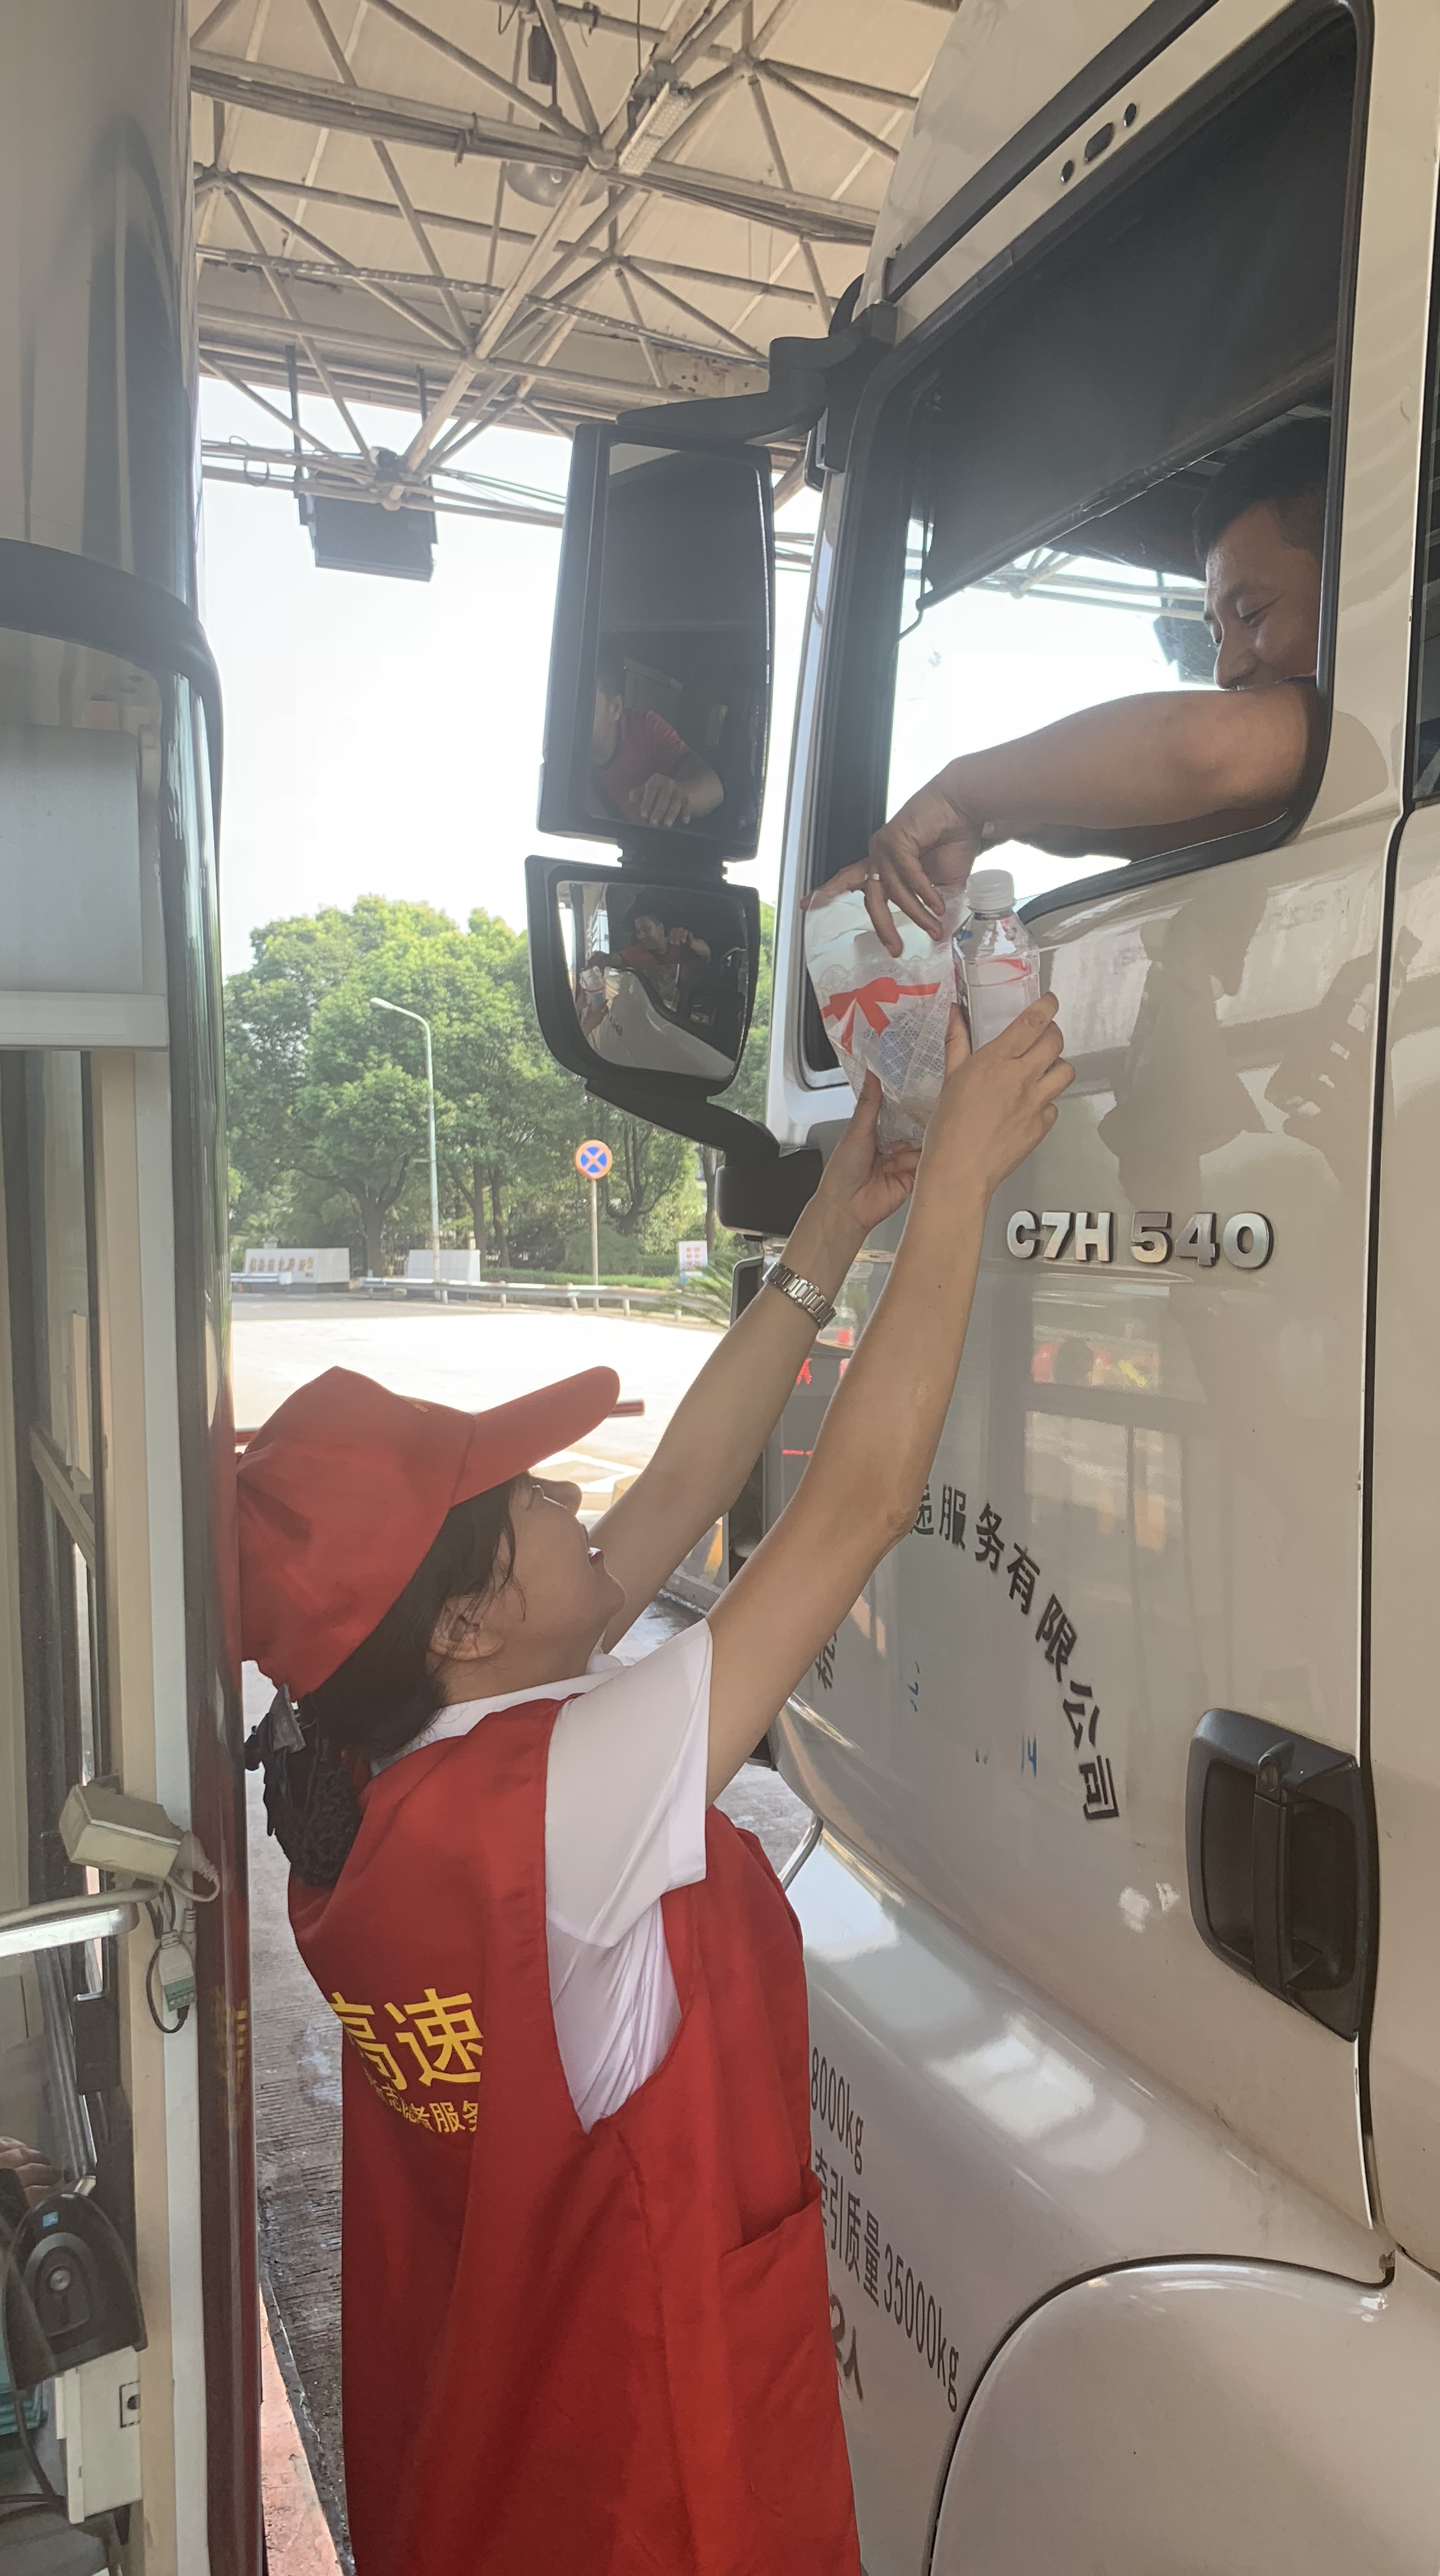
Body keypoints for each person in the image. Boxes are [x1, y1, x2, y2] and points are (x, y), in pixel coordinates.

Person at [234, 1000, 1072, 2576]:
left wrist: (829, 1233)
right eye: (527, 1498)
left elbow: (684, 1484)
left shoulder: (379, 1775)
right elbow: (856, 1509)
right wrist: (959, 1184)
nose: (571, 1495)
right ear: (465, 1626)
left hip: (494, 2466)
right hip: (639, 2498)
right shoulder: (562, 1806)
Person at [838, 418, 1328, 953]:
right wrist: (1016, 819)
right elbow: (1209, 818)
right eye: (1215, 638)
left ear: (1348, 573)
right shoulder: (1328, 769)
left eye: (1252, 613)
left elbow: (1199, 748)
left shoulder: (1360, 712)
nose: (1225, 670)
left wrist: (958, 796)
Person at [590, 645, 725, 828]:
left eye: (584, 700)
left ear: (615, 708)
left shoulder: (644, 728)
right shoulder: (558, 748)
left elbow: (714, 790)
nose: (571, 712)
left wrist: (679, 795)